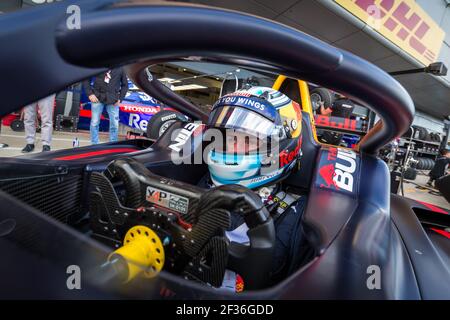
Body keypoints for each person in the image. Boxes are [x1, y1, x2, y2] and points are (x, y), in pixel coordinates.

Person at [202, 86, 307, 290]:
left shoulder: (295, 218)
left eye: (247, 140)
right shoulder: (203, 183)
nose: (230, 148)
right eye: (228, 138)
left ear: (280, 148)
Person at [83, 68, 128, 144]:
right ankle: (94, 144)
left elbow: (125, 85)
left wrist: (120, 98)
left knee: (114, 124)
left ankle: (113, 144)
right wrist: (90, 94)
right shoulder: (99, 64)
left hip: (113, 100)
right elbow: (86, 79)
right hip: (97, 98)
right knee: (95, 123)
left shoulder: (120, 68)